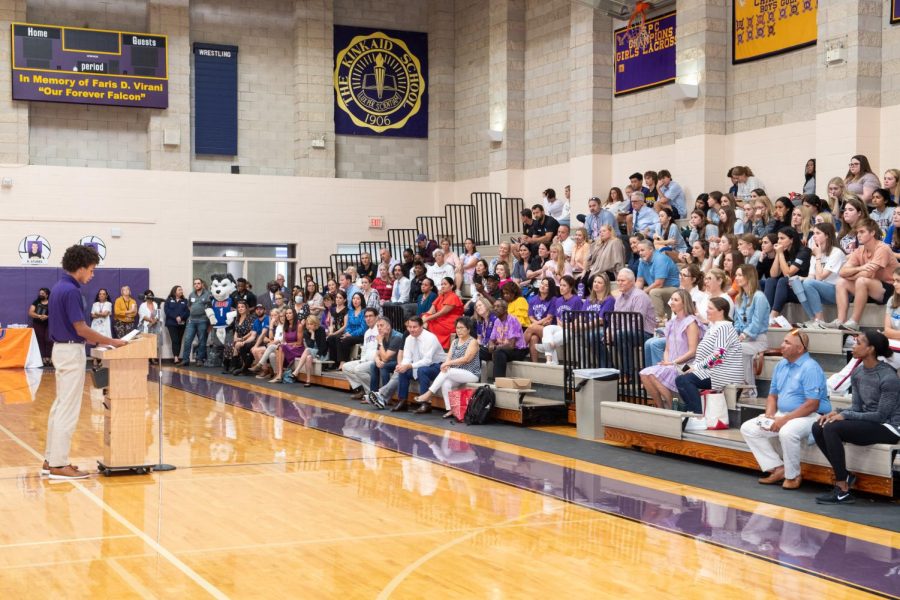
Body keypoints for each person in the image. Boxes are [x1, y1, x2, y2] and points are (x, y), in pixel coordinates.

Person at [43, 245, 125, 480]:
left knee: (60, 407)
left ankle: (51, 459)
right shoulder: (70, 291)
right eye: (91, 269)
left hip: (62, 349)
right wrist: (112, 341)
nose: (92, 274)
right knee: (67, 409)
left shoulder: (59, 287)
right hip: (70, 351)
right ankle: (59, 464)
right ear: (80, 268)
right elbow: (81, 328)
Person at [812, 331, 900, 505]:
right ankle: (845, 476)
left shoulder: (888, 377)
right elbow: (858, 408)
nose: (853, 345)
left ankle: (842, 488)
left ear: (870, 349)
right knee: (819, 426)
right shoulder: (858, 373)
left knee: (832, 427)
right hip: (869, 422)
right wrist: (836, 411)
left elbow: (881, 415)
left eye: (858, 342)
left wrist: (844, 415)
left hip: (889, 427)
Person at [740, 329, 831, 489]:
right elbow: (772, 396)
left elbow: (812, 404)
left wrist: (784, 420)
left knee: (787, 431)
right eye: (783, 341)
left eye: (787, 343)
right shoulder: (781, 364)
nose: (782, 345)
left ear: (800, 349)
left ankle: (793, 475)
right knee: (748, 428)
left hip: (811, 416)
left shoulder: (811, 368)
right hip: (784, 414)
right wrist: (769, 414)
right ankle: (778, 468)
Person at [832, 219, 899, 331]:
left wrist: (852, 273)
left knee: (862, 280)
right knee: (841, 282)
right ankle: (840, 320)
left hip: (891, 289)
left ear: (872, 233)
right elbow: (842, 272)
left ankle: (854, 322)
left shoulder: (882, 249)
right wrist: (860, 268)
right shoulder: (860, 250)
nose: (858, 235)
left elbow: (868, 274)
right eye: (858, 232)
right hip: (870, 287)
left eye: (862, 232)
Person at [640, 290, 701, 409]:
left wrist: (673, 363)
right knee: (644, 374)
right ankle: (660, 406)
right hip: (673, 363)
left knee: (654, 375)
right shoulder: (671, 323)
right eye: (671, 299)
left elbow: (693, 351)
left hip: (688, 365)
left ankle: (672, 406)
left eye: (676, 300)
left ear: (684, 303)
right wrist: (667, 363)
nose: (672, 302)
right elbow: (667, 349)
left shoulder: (691, 322)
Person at [414, 317, 482, 417]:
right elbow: (448, 358)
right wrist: (446, 364)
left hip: (471, 373)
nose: (459, 330)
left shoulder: (473, 342)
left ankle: (429, 393)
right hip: (457, 373)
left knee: (448, 371)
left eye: (462, 328)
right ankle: (451, 409)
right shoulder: (455, 342)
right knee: (445, 383)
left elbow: (466, 359)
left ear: (468, 329)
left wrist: (447, 364)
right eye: (457, 328)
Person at [792, 222, 846, 328]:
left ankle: (819, 319)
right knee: (796, 283)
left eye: (818, 233)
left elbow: (820, 277)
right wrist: (799, 278)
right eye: (813, 233)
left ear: (827, 235)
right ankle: (813, 319)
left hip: (838, 292)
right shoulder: (816, 253)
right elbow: (812, 277)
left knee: (808, 283)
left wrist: (818, 257)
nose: (814, 236)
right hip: (823, 290)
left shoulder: (836, 252)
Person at [390, 316, 447, 413]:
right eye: (409, 327)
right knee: (403, 370)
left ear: (421, 327)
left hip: (438, 366)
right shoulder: (408, 339)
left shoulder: (430, 338)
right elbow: (407, 358)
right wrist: (402, 366)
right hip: (420, 365)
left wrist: (409, 366)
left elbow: (427, 361)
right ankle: (402, 401)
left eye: (414, 327)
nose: (411, 329)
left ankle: (425, 403)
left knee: (422, 370)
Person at [733, 264, 770, 398]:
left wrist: (742, 336)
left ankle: (748, 387)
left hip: (758, 340)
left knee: (737, 347)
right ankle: (743, 386)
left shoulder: (759, 297)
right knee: (731, 347)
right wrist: (733, 335)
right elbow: (737, 323)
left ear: (749, 276)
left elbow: (757, 322)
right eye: (736, 275)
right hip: (743, 340)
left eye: (739, 275)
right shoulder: (738, 298)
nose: (736, 278)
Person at [763, 227, 811, 322]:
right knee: (770, 281)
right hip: (789, 289)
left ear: (792, 239)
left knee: (783, 280)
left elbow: (788, 274)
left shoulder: (804, 251)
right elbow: (773, 274)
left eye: (782, 238)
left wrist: (780, 253)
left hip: (802, 290)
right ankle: (765, 314)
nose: (779, 241)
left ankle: (773, 315)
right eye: (778, 238)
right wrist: (778, 254)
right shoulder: (784, 251)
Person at [635, 240, 680, 321]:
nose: (640, 253)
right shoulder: (642, 261)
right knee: (634, 294)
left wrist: (642, 293)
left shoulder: (660, 259)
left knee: (654, 292)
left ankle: (660, 319)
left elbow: (659, 283)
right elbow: (639, 281)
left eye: (642, 250)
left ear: (651, 249)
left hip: (674, 289)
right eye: (639, 251)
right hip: (658, 288)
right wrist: (635, 293)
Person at [341, 308, 380, 397]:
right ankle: (361, 389)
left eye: (371, 316)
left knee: (358, 369)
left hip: (375, 361)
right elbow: (364, 349)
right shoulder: (367, 332)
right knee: (345, 367)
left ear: (377, 317)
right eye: (366, 316)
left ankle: (371, 394)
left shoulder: (380, 329)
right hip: (365, 360)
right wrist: (362, 360)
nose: (368, 318)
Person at [488, 299, 528, 378]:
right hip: (502, 349)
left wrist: (495, 347)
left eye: (498, 306)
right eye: (494, 306)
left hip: (517, 351)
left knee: (498, 352)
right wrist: (491, 345)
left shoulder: (512, 320)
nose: (495, 308)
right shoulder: (496, 321)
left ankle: (498, 381)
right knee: (480, 350)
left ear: (505, 309)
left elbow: (511, 345)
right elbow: (491, 339)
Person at [524, 278, 560, 362]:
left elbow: (549, 318)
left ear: (550, 288)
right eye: (542, 283)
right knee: (533, 338)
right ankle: (534, 364)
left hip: (549, 330)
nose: (543, 286)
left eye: (546, 285)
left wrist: (535, 325)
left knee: (531, 328)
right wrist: (537, 324)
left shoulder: (554, 300)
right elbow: (531, 317)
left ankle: (519, 348)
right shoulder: (533, 299)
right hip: (539, 326)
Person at [369, 316, 404, 397]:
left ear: (388, 326)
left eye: (381, 325)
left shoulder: (397, 337)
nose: (379, 328)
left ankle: (385, 396)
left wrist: (380, 342)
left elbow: (385, 358)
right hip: (390, 361)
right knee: (373, 365)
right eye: (378, 326)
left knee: (383, 366)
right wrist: (377, 361)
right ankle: (373, 394)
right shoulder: (382, 336)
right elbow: (377, 354)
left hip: (400, 362)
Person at [181, 278, 211, 366]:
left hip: (203, 320)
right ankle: (185, 359)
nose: (196, 285)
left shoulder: (208, 294)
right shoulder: (191, 294)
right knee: (187, 340)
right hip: (191, 320)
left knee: (202, 340)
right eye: (195, 284)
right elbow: (189, 306)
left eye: (198, 283)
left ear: (202, 284)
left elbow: (210, 308)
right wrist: (194, 311)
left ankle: (200, 359)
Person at [270, 307, 302, 383]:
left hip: (297, 348)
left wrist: (286, 345)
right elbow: (284, 341)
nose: (288, 315)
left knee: (281, 347)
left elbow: (299, 343)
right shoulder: (285, 326)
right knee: (279, 349)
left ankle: (279, 375)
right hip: (288, 348)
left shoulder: (299, 325)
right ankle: (278, 374)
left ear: (294, 314)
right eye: (286, 313)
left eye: (290, 313)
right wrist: (285, 345)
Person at [225, 300, 256, 375]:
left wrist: (241, 339)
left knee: (237, 345)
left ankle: (237, 367)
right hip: (239, 338)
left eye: (242, 307)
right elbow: (236, 330)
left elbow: (251, 332)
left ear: (246, 308)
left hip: (249, 338)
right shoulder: (237, 318)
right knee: (229, 344)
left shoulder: (250, 318)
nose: (240, 309)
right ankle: (232, 366)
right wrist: (235, 338)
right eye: (239, 307)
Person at [164, 285, 189, 364]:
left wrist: (181, 317)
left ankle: (177, 356)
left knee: (179, 340)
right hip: (171, 323)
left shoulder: (185, 301)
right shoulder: (168, 300)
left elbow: (187, 312)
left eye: (181, 290)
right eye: (179, 290)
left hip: (182, 323)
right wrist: (176, 317)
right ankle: (175, 357)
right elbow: (167, 311)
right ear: (174, 291)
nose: (181, 291)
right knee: (175, 340)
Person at [29, 287, 52, 366]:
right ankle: (43, 358)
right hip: (38, 324)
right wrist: (39, 316)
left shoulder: (52, 302)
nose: (40, 295)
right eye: (40, 293)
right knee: (40, 340)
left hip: (49, 323)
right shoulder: (36, 302)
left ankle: (49, 357)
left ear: (47, 295)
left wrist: (47, 316)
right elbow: (31, 312)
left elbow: (56, 312)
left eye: (42, 294)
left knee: (49, 340)